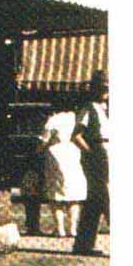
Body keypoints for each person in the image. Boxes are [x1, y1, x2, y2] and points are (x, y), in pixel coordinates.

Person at [72, 70, 110, 256]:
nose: (105, 92)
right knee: (106, 197)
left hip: (107, 151)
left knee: (94, 202)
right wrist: (91, 152)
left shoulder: (105, 109)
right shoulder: (89, 109)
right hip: (97, 153)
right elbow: (76, 136)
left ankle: (83, 244)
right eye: (102, 88)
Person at [39, 100, 87, 237]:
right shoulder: (75, 118)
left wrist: (37, 150)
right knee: (73, 194)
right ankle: (73, 228)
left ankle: (59, 229)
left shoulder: (53, 120)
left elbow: (44, 140)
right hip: (73, 153)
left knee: (56, 194)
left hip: (56, 155)